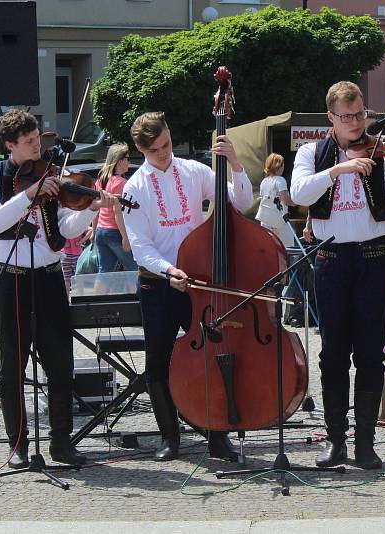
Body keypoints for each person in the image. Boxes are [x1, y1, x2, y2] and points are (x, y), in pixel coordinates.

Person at [290, 81, 385, 470]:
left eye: (360, 114)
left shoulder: (382, 152)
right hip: (331, 258)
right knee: (333, 353)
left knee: (370, 354)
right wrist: (339, 168)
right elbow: (299, 193)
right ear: (331, 116)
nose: (356, 122)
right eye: (347, 116)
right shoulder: (312, 152)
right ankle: (336, 441)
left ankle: (365, 444)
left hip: (372, 257)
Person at [0, 109, 116, 468]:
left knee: (60, 364)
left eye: (38, 138)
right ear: (10, 145)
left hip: (50, 275)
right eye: (28, 142)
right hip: (12, 277)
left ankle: (61, 443)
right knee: (12, 366)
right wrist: (30, 195)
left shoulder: (53, 176)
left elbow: (66, 229)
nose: (37, 146)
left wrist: (91, 209)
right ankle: (18, 445)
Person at [122, 111, 252, 461]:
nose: (164, 153)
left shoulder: (194, 171)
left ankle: (217, 436)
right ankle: (170, 438)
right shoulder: (134, 187)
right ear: (140, 149)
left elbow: (240, 202)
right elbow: (140, 246)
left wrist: (235, 164)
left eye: (166, 144)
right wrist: (167, 270)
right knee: (158, 363)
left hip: (199, 283)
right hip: (159, 284)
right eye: (155, 150)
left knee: (213, 358)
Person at [92, 143, 138, 273]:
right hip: (115, 232)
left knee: (104, 271)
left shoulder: (101, 180)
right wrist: (125, 237)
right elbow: (118, 212)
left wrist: (94, 231)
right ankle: (134, 294)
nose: (129, 162)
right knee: (133, 269)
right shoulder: (122, 183)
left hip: (101, 231)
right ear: (120, 160)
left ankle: (98, 294)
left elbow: (96, 209)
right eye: (128, 158)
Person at [257, 152, 296, 247]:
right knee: (288, 248)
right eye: (282, 165)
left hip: (265, 220)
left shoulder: (264, 181)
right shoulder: (280, 180)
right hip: (279, 221)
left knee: (269, 248)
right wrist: (297, 202)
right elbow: (286, 200)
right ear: (279, 166)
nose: (283, 168)